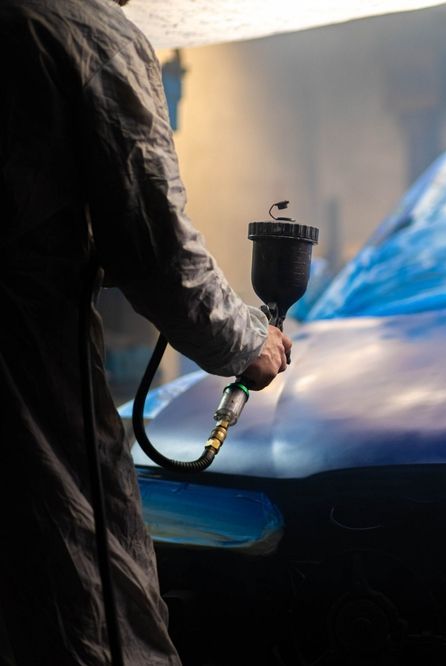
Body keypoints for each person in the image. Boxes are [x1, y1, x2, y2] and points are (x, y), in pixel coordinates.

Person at [0, 0, 293, 662]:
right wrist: (249, 343)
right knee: (83, 605)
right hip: (25, 374)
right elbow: (158, 252)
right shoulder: (85, 32)